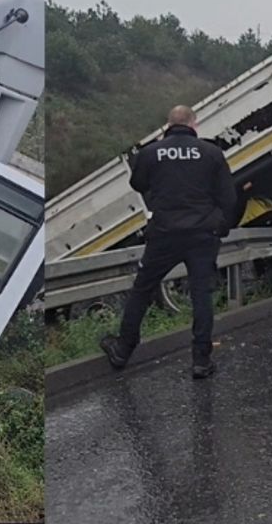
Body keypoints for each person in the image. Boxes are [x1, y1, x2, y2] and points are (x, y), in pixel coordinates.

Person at [100, 104, 237, 379]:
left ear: (168, 125)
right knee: (201, 295)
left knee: (143, 288)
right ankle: (201, 360)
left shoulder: (151, 153)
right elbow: (229, 197)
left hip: (164, 233)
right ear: (194, 124)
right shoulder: (211, 152)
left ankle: (123, 349)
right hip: (202, 234)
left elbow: (138, 184)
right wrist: (220, 227)